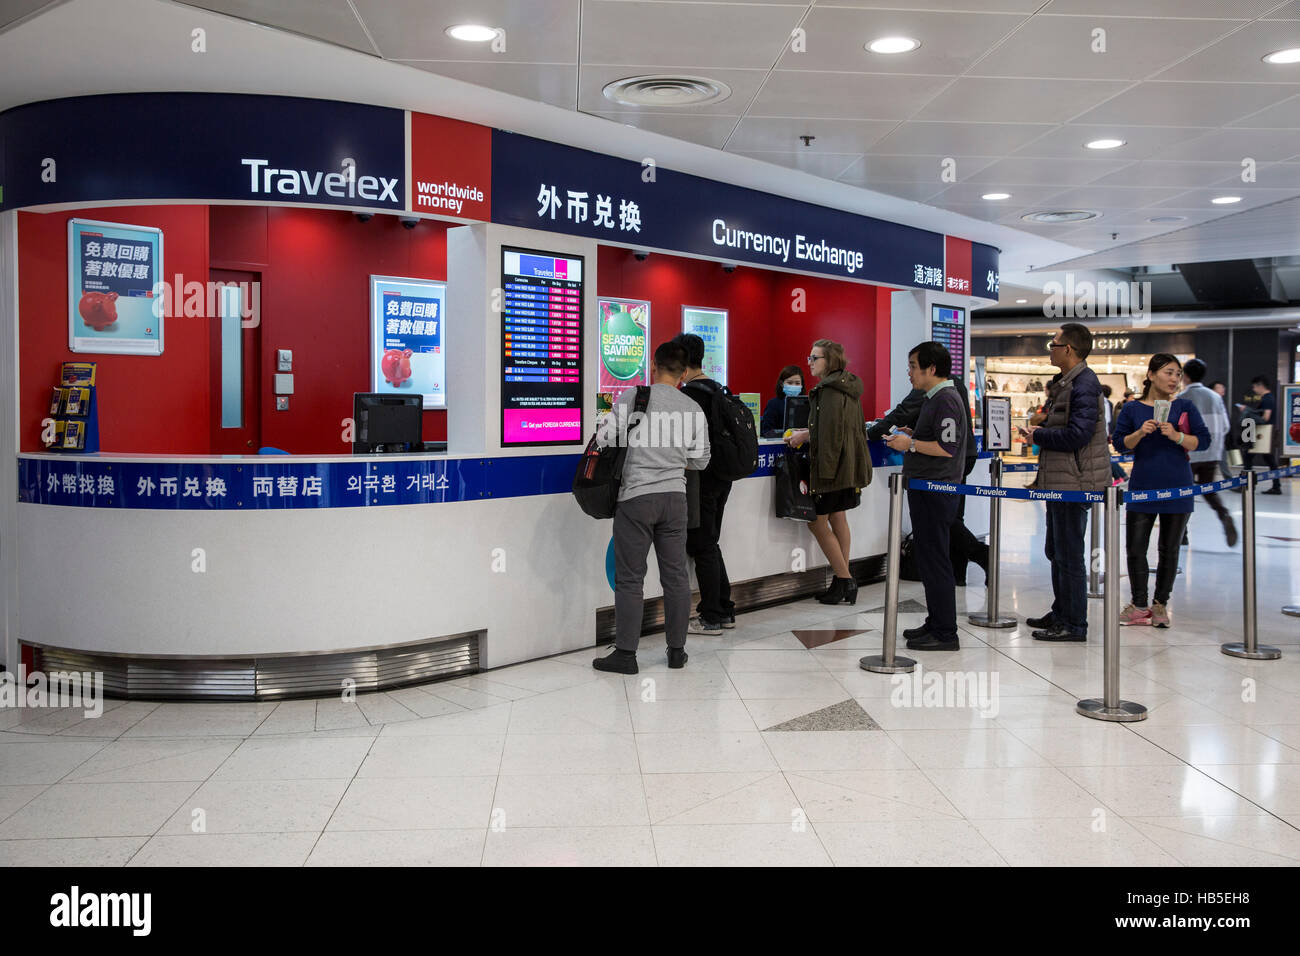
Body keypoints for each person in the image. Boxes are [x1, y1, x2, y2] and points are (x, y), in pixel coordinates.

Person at [592, 340, 710, 674]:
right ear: (684, 373)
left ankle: (626, 655)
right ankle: (676, 652)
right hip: (675, 499)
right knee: (675, 576)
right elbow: (702, 460)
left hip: (636, 499)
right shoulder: (692, 408)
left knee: (630, 578)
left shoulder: (634, 397)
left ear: (654, 367)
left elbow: (604, 441)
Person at [1023, 323, 1112, 642]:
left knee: (1070, 553)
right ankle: (1062, 612)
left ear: (1068, 349)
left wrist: (1039, 434)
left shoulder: (1084, 384)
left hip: (1075, 483)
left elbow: (1079, 434)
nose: (1050, 348)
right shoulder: (1069, 382)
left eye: (1054, 343)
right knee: (1056, 549)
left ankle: (1074, 623)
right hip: (1060, 481)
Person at [1113, 354, 1210, 628]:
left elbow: (1203, 441)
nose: (1174, 379)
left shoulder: (1185, 407)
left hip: (1178, 486)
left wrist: (1177, 436)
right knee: (1135, 548)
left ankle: (1160, 606)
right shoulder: (1132, 410)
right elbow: (1120, 444)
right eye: (1168, 373)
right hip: (1143, 487)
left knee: (1169, 549)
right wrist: (1140, 434)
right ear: (1151, 374)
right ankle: (1139, 604)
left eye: (1178, 374)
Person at [884, 342, 968, 651]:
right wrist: (914, 435)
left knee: (935, 560)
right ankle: (936, 622)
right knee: (931, 559)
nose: (909, 373)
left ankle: (945, 632)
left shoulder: (945, 399)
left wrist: (912, 445)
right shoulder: (936, 399)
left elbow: (947, 448)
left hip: (936, 488)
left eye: (913, 366)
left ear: (931, 369)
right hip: (926, 487)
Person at [867, 378, 988, 585]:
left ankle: (979, 554)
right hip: (964, 455)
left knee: (943, 517)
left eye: (913, 366)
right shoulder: (954, 384)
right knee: (954, 515)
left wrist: (872, 432)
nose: (910, 373)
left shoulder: (936, 388)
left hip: (944, 462)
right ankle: (958, 572)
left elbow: (903, 411)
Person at [784, 339, 872, 605]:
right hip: (846, 466)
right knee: (838, 518)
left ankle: (846, 580)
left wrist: (803, 435)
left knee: (817, 522)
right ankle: (840, 580)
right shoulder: (847, 385)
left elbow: (829, 433)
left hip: (831, 467)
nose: (809, 362)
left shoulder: (829, 391)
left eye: (815, 358)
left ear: (829, 361)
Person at [674, 332, 736, 636]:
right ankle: (724, 608)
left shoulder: (688, 396)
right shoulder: (718, 389)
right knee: (709, 541)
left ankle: (711, 616)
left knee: (701, 545)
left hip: (700, 480)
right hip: (722, 478)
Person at [1179, 359, 1237, 546]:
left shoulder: (1182, 398)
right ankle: (1223, 513)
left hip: (1188, 453)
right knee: (1208, 489)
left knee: (1184, 493)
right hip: (1212, 453)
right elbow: (1226, 426)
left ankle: (1182, 533)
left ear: (1185, 376)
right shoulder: (1215, 397)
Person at [1238, 376, 1282, 494]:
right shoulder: (1269, 398)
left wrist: (1248, 412)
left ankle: (1247, 484)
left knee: (1248, 456)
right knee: (1269, 460)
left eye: (1255, 386)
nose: (1254, 389)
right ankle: (1276, 485)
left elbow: (1265, 417)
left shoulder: (1267, 399)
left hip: (1262, 433)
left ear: (1260, 385)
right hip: (1263, 434)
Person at [761, 365, 804, 438]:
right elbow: (767, 431)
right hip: (779, 445)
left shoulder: (807, 404)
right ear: (782, 384)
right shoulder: (773, 404)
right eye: (790, 383)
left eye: (797, 383)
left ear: (802, 385)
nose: (794, 386)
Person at [1100, 384, 1126, 483]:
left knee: (1106, 456)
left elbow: (1106, 420)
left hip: (1101, 434)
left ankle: (1120, 476)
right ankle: (1120, 475)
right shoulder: (1109, 403)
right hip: (1105, 433)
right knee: (1106, 455)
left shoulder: (1103, 402)